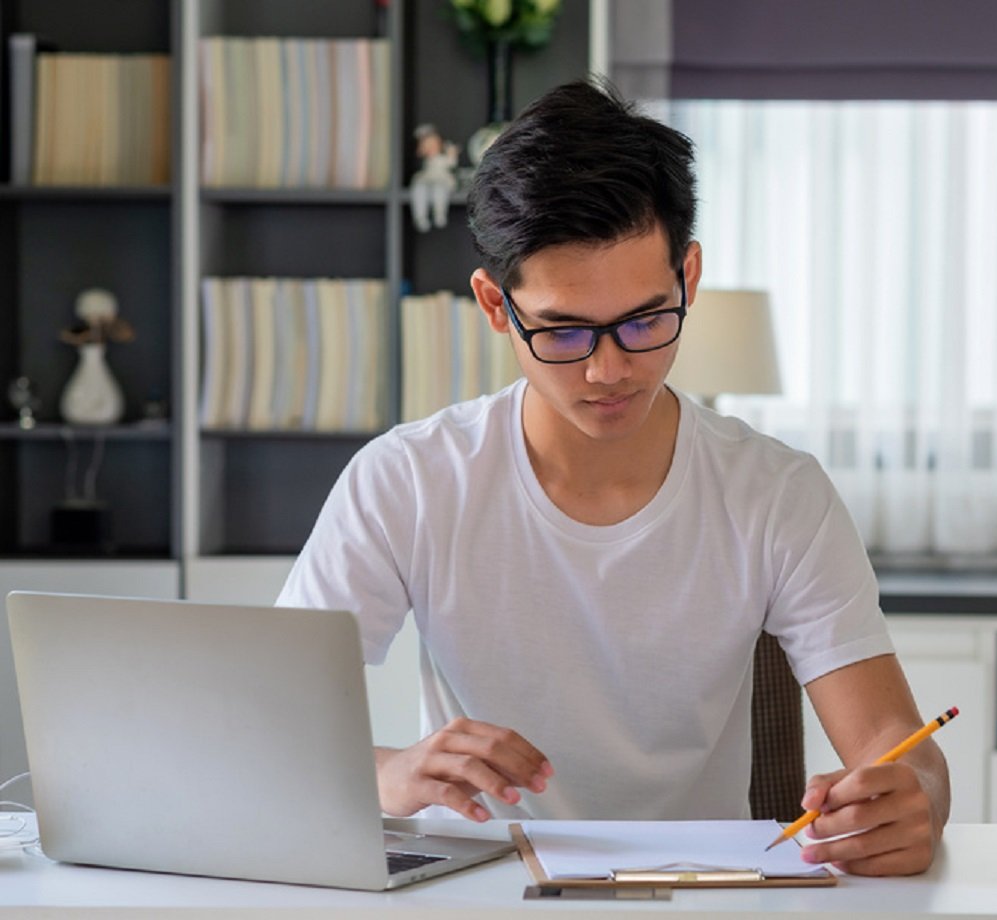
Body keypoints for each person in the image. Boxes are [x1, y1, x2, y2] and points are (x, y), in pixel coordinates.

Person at [278, 79, 950, 877]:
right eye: (563, 331)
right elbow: (268, 725)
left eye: (644, 320)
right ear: (496, 306)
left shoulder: (777, 494)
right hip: (482, 884)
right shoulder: (409, 481)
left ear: (689, 279)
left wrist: (909, 798)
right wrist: (387, 771)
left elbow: (899, 750)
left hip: (702, 891)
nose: (609, 370)